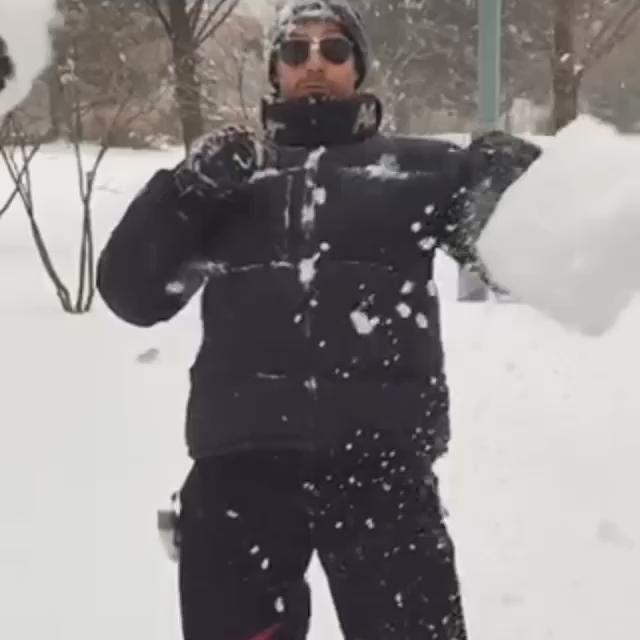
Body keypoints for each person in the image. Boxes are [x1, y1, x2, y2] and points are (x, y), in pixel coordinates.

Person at [97, 1, 540, 638]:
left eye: (334, 50)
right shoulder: (228, 183)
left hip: (380, 465)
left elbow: (524, 259)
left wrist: (514, 185)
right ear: (274, 71)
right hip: (241, 472)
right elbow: (131, 294)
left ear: (357, 70)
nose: (314, 64)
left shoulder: (416, 172)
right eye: (295, 51)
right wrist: (187, 190)